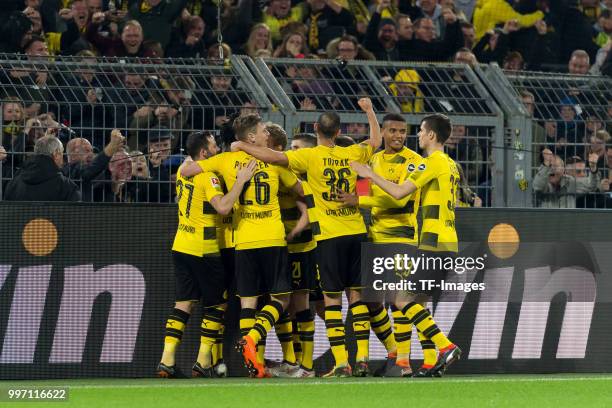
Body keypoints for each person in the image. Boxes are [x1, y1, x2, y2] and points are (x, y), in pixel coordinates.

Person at [230, 99, 382, 377]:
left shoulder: (309, 157)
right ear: (338, 132)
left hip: (328, 237)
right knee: (357, 296)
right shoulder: (353, 153)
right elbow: (375, 139)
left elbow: (274, 157)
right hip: (357, 232)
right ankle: (362, 358)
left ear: (316, 129)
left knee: (332, 300)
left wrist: (241, 146)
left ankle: (341, 363)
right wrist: (369, 111)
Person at [181, 114, 303, 378]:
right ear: (251, 138)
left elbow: (187, 170)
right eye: (262, 130)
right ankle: (254, 339)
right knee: (281, 298)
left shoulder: (225, 160)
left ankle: (255, 365)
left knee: (249, 302)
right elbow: (303, 190)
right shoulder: (271, 159)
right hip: (271, 237)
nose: (266, 133)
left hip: (243, 241)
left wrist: (210, 168)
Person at [350, 113, 462, 377]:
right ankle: (431, 360)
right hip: (448, 240)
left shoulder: (430, 162)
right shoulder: (451, 164)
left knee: (401, 300)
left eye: (421, 131)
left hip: (433, 242)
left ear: (431, 135)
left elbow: (400, 193)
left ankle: (445, 346)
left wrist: (368, 174)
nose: (418, 135)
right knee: (418, 302)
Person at [157, 131, 257, 378]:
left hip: (181, 244)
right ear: (204, 153)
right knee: (217, 305)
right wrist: (240, 181)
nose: (218, 150)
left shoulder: (183, 169)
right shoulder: (207, 176)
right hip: (204, 248)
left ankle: (166, 361)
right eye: (213, 146)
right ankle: (202, 361)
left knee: (183, 303)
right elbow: (223, 207)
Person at [337, 113, 423, 377]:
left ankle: (404, 363)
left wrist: (361, 198)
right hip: (375, 237)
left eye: (403, 131)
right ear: (383, 132)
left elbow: (400, 201)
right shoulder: (371, 160)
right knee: (373, 303)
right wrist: (361, 195)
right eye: (393, 131)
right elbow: (362, 194)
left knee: (399, 301)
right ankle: (394, 352)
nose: (398, 136)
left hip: (402, 236)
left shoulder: (414, 162)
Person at [266, 123, 317, 378]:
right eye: (292, 148)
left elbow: (307, 211)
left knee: (301, 305)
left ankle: (306, 365)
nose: (293, 152)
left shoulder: (298, 178)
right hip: (282, 247)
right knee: (285, 306)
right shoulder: (277, 172)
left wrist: (294, 232)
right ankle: (293, 360)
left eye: (298, 149)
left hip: (301, 248)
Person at [4, 135, 80, 201]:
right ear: (56, 154)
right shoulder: (66, 187)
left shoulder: (14, 182)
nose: (63, 158)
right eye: (62, 153)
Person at [64, 129, 126, 202]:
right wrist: (111, 146)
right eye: (86, 150)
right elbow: (88, 171)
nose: (91, 154)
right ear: (73, 155)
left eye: (91, 151)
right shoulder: (68, 170)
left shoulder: (98, 172)